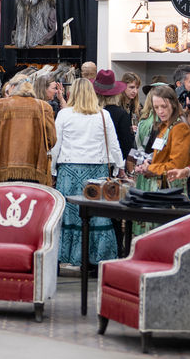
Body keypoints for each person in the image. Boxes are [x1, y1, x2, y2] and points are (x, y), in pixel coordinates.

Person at [52, 78, 122, 268]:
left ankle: (69, 255)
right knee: (98, 215)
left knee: (70, 214)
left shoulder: (64, 115)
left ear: (72, 93)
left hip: (69, 170)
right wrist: (119, 166)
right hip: (97, 171)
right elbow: (113, 144)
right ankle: (98, 256)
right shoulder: (103, 115)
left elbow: (56, 145)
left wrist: (52, 170)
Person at [133, 85, 190, 192]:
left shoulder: (180, 127)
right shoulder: (165, 125)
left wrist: (150, 168)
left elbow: (177, 166)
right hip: (161, 188)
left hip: (172, 190)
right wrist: (149, 162)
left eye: (164, 106)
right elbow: (162, 156)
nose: (160, 111)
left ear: (173, 104)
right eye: (156, 107)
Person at [93, 70, 134, 161]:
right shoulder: (121, 114)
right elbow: (126, 144)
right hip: (112, 160)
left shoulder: (89, 112)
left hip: (89, 158)